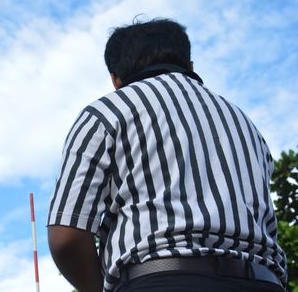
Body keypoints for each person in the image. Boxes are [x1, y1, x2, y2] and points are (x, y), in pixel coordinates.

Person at [47, 19, 287, 292]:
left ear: (116, 79)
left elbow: (65, 236)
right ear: (191, 66)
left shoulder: (107, 112)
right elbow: (267, 226)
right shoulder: (245, 125)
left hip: (161, 280)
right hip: (263, 282)